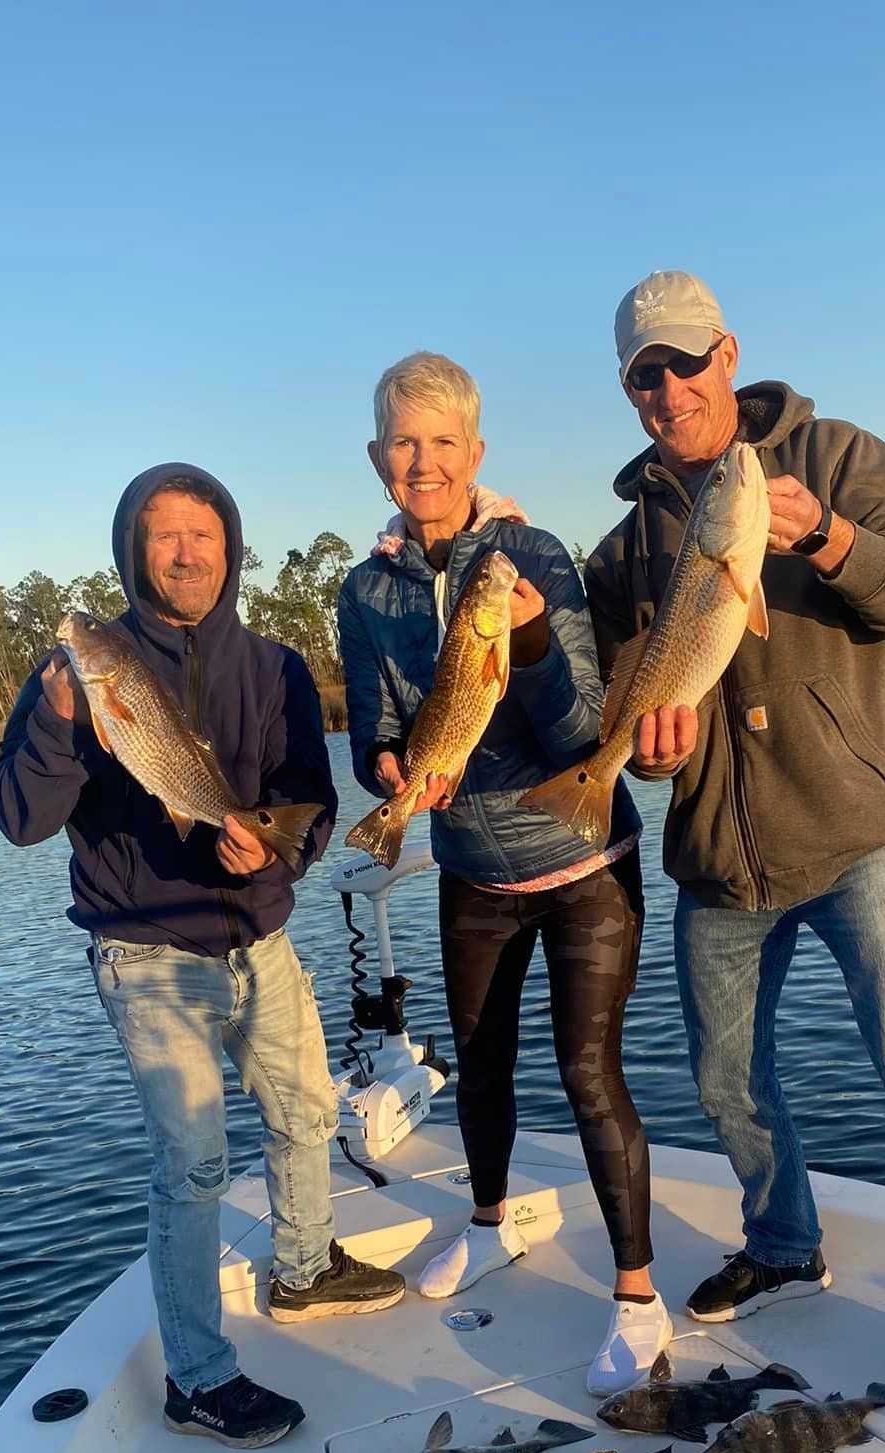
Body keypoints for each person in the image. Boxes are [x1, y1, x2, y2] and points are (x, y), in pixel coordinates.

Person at [585, 272, 885, 1443]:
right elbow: (640, 714)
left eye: (687, 361)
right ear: (629, 389)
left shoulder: (835, 455)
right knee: (727, 1081)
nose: (670, 387)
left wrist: (831, 538)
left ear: (728, 355)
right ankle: (785, 1246)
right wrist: (647, 755)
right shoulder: (627, 539)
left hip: (858, 836)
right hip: (720, 864)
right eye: (646, 372)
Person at [0, 464, 403, 1450]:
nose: (185, 552)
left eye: (202, 535)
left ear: (231, 547)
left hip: (259, 934)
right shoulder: (77, 676)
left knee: (308, 1113)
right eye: (163, 536)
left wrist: (280, 846)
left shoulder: (275, 666)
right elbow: (17, 815)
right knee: (195, 1157)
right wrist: (53, 721)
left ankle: (305, 1269)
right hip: (147, 950)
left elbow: (309, 794)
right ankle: (198, 1377)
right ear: (136, 551)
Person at [339, 352, 670, 1394]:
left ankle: (637, 1294)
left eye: (444, 442)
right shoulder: (365, 589)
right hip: (468, 865)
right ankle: (487, 1223)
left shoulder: (533, 556)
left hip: (583, 862)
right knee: (479, 1065)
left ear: (475, 453)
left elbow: (578, 726)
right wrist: (390, 770)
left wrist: (523, 632)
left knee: (586, 1071)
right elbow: (373, 730)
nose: (424, 461)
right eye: (405, 442)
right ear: (377, 458)